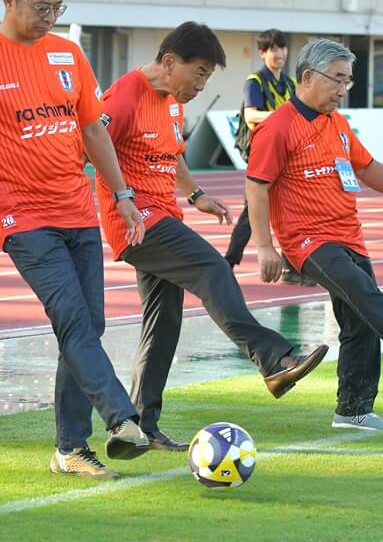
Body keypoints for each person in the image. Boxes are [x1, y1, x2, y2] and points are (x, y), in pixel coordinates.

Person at [0, 0, 150, 480]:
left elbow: (93, 131)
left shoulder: (69, 54)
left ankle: (69, 449)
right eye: (41, 7)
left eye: (58, 7)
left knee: (87, 327)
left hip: (78, 211)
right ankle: (122, 418)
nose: (51, 17)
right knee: (74, 320)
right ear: (8, 0)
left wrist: (122, 194)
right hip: (23, 218)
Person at [96, 22, 330, 450]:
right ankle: (274, 359)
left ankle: (141, 427)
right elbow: (91, 143)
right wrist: (122, 195)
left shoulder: (172, 103)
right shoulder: (125, 96)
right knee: (212, 268)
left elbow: (172, 155)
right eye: (199, 73)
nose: (202, 85)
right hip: (135, 221)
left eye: (207, 75)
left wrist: (195, 194)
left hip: (163, 214)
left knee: (163, 323)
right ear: (170, 62)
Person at [246, 39, 383, 432]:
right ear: (307, 77)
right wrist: (265, 247)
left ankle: (353, 410)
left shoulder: (337, 123)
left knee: (359, 320)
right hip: (308, 240)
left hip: (350, 235)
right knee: (361, 290)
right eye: (337, 79)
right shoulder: (278, 127)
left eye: (347, 81)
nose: (342, 89)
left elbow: (365, 165)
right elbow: (256, 186)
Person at [226, 30, 309, 284]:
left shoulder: (290, 83)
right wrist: (282, 116)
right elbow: (251, 115)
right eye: (273, 49)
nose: (279, 53)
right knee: (253, 210)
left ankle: (292, 267)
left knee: (289, 208)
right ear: (262, 53)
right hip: (262, 154)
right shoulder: (255, 82)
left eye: (282, 48)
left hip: (286, 154)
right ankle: (228, 263)